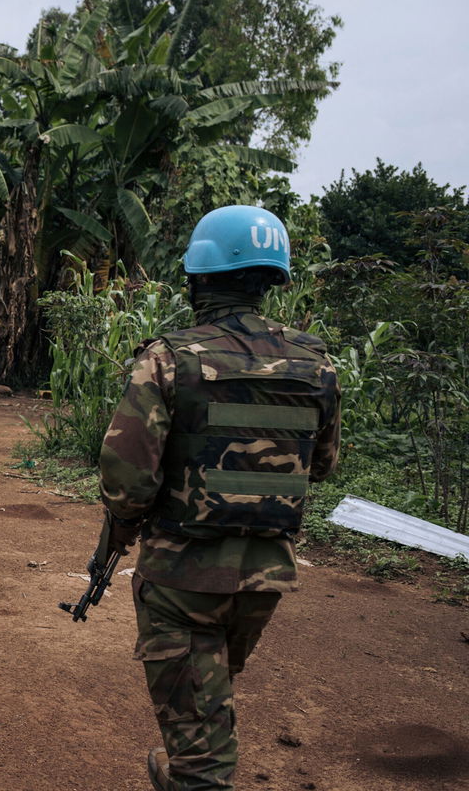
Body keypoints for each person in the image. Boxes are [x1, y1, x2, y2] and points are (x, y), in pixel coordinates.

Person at [96, 205, 341, 790]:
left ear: (199, 276)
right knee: (207, 699)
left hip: (183, 576)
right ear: (270, 280)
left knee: (201, 745)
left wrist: (126, 525)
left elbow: (127, 481)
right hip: (264, 577)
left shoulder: (168, 358)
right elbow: (324, 465)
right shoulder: (315, 364)